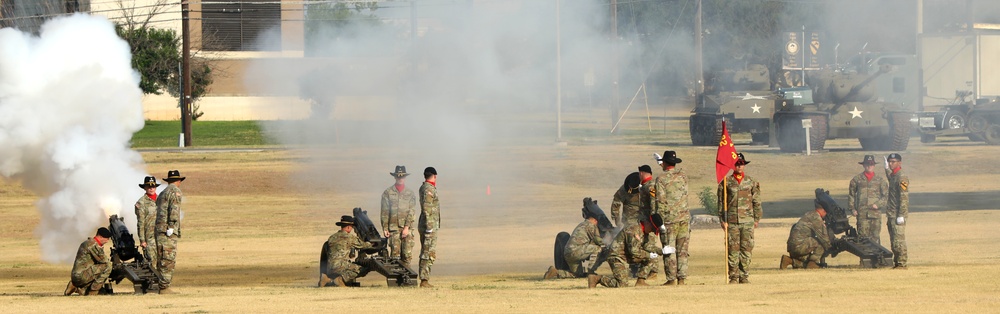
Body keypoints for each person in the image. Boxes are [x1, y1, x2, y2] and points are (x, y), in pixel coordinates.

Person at [717, 153, 762, 284]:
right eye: (737, 164)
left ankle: (744, 275)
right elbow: (721, 202)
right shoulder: (726, 182)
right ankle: (734, 277)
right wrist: (722, 219)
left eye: (741, 164)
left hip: (747, 220)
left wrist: (757, 218)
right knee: (732, 249)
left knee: (746, 249)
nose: (739, 166)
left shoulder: (751, 182)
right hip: (732, 221)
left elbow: (757, 201)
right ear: (732, 165)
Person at [588, 214, 666, 288]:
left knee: (652, 258)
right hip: (617, 256)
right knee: (622, 284)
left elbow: (647, 245)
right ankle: (597, 279)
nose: (651, 231)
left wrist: (661, 251)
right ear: (648, 223)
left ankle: (640, 281)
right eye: (652, 229)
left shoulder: (643, 231)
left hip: (627, 256)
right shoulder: (633, 230)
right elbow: (634, 251)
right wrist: (649, 255)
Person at [650, 151, 689, 285]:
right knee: (682, 250)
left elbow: (660, 201)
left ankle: (671, 279)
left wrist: (658, 221)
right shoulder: (683, 176)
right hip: (684, 218)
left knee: (669, 249)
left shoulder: (661, 179)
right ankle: (682, 278)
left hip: (669, 220)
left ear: (665, 163)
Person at [543, 203, 606, 279]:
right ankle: (591, 272)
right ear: (595, 220)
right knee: (598, 249)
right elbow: (598, 241)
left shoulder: (582, 225)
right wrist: (607, 244)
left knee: (578, 274)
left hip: (568, 253)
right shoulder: (591, 225)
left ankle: (555, 272)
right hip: (577, 251)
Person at [320, 215, 374, 287]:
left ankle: (327, 279)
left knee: (350, 265)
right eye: (352, 227)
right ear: (348, 227)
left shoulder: (332, 237)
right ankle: (340, 279)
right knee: (363, 269)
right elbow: (364, 245)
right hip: (341, 267)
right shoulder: (349, 237)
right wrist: (372, 243)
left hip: (329, 268)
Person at [381, 165, 417, 266]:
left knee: (407, 256)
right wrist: (385, 228)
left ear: (405, 177)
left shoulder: (410, 193)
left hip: (407, 229)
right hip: (393, 229)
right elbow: (384, 211)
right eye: (398, 176)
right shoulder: (387, 193)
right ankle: (396, 280)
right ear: (395, 177)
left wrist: (406, 227)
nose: (400, 178)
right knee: (395, 257)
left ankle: (406, 279)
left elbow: (411, 211)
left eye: (402, 176)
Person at [155, 170, 185, 294]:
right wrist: (172, 226)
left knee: (161, 258)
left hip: (160, 229)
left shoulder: (163, 192)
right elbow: (174, 209)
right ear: (178, 181)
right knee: (168, 258)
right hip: (168, 230)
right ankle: (164, 287)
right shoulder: (175, 192)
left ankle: (160, 284)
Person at [848, 155, 888, 245]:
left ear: (874, 165)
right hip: (862, 215)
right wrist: (852, 209)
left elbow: (886, 196)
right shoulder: (857, 180)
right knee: (863, 239)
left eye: (871, 164)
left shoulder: (880, 180)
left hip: (875, 214)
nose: (869, 166)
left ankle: (876, 258)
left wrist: (878, 204)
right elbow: (851, 195)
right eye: (867, 164)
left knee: (875, 238)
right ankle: (865, 259)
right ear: (863, 165)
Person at [780, 200, 831, 269]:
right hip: (799, 246)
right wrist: (830, 248)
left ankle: (788, 260)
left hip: (792, 247)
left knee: (805, 261)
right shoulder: (816, 219)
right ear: (823, 211)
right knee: (820, 242)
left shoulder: (809, 214)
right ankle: (813, 264)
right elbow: (824, 238)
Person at [64, 227, 113, 296]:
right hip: (82, 275)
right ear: (100, 237)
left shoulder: (88, 243)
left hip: (78, 276)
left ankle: (76, 287)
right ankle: (93, 291)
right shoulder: (93, 245)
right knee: (108, 266)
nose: (107, 241)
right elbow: (104, 261)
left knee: (99, 292)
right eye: (106, 238)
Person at [884, 153, 909, 269]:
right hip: (891, 213)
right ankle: (897, 262)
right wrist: (886, 170)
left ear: (899, 162)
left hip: (897, 214)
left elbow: (904, 198)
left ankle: (902, 263)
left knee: (899, 240)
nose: (891, 163)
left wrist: (901, 215)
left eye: (893, 161)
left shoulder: (902, 177)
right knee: (894, 239)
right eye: (889, 161)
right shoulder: (894, 175)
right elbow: (891, 179)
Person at [418, 167, 440, 288]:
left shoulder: (425, 187)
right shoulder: (428, 189)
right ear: (434, 176)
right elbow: (427, 209)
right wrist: (430, 227)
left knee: (428, 251)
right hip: (428, 226)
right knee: (427, 252)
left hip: (428, 224)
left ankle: (425, 278)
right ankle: (424, 279)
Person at [135, 176, 160, 268]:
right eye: (149, 187)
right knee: (152, 262)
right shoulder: (141, 203)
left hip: (161, 235)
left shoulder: (161, 200)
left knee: (163, 262)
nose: (151, 188)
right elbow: (140, 223)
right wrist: (142, 240)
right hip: (150, 237)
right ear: (145, 188)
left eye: (153, 186)